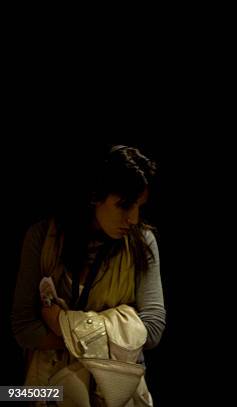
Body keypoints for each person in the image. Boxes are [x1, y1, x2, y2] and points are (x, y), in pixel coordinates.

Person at [11, 145, 165, 406]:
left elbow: (152, 330)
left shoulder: (143, 241)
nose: (134, 218)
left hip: (118, 392)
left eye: (139, 206)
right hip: (43, 388)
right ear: (95, 196)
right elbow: (24, 329)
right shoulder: (41, 236)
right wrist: (120, 330)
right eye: (124, 206)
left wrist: (60, 321)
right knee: (7, 395)